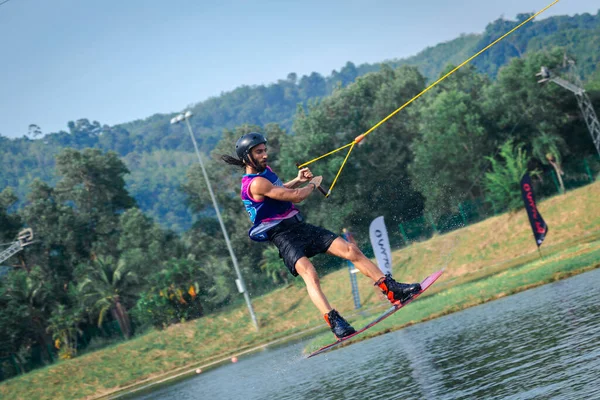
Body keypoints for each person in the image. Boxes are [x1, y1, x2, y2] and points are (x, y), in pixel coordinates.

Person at [222, 132, 421, 339]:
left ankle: (392, 290)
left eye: (265, 150)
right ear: (247, 157)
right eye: (259, 152)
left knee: (350, 250)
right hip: (282, 236)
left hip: (299, 226)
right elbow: (295, 197)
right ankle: (335, 322)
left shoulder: (265, 174)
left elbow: (278, 190)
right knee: (310, 274)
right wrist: (312, 184)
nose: (265, 155)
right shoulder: (255, 183)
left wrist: (298, 180)